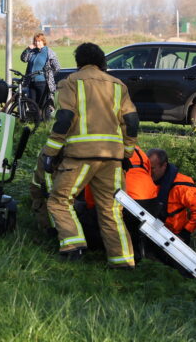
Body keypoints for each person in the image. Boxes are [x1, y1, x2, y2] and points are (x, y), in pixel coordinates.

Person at [39, 42, 138, 267]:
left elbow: (64, 118)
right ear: (102, 61)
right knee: (111, 210)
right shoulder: (118, 85)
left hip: (80, 156)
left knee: (59, 200)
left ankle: (73, 247)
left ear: (78, 62)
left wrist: (50, 152)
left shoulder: (70, 83)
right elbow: (131, 121)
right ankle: (123, 261)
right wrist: (127, 152)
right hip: (112, 157)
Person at [74, 144, 159, 263]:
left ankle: (101, 252)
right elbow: (147, 174)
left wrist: (91, 207)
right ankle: (139, 254)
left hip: (125, 198)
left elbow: (92, 185)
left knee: (96, 219)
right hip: (150, 198)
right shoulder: (137, 150)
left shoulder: (100, 150)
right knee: (134, 227)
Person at [148, 148, 196, 247]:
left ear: (164, 166)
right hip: (152, 231)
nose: (149, 172)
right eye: (147, 168)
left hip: (175, 237)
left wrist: (184, 234)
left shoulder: (182, 186)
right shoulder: (147, 179)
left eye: (152, 168)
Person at [20, 33, 61, 119]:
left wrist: (48, 74)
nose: (37, 43)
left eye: (39, 41)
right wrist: (27, 49)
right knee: (32, 105)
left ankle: (46, 124)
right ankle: (36, 124)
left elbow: (57, 67)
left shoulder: (48, 52)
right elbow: (23, 59)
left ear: (43, 41)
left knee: (44, 105)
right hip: (31, 82)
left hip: (43, 83)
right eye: (35, 41)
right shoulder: (32, 52)